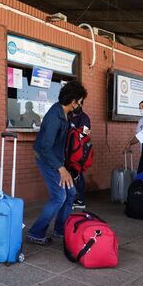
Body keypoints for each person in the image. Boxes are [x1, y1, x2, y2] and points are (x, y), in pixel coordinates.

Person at [27, 81, 88, 245]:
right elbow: (46, 148)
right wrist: (61, 169)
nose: (81, 105)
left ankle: (60, 229)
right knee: (59, 196)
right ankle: (36, 232)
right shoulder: (55, 117)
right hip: (48, 160)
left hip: (56, 160)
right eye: (80, 101)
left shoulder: (63, 112)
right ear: (73, 101)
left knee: (71, 193)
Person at [69, 103, 91, 209]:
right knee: (71, 174)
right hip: (68, 149)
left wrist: (75, 133)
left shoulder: (84, 118)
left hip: (78, 151)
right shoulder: (69, 115)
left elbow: (86, 133)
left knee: (77, 173)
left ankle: (80, 200)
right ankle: (72, 198)